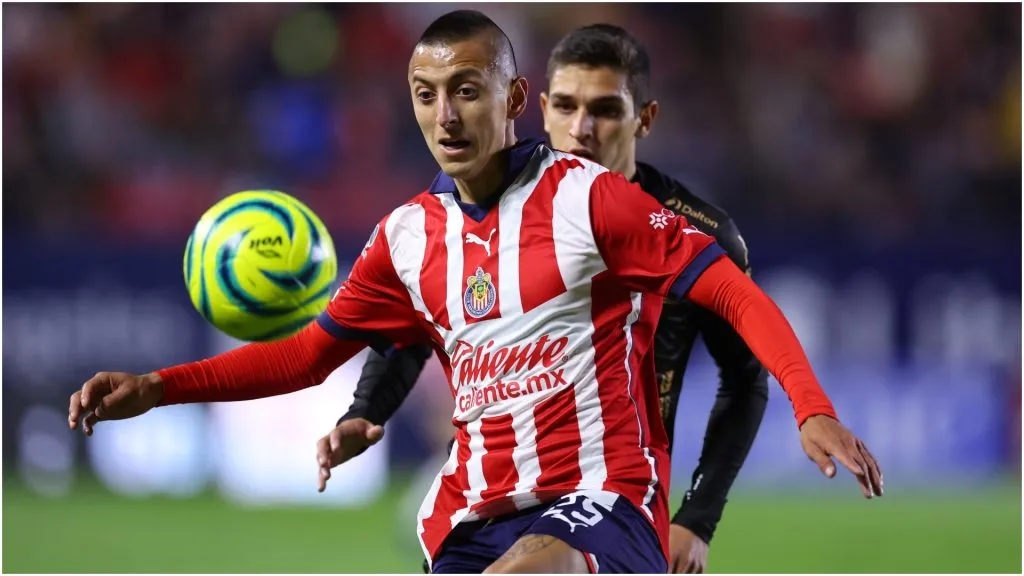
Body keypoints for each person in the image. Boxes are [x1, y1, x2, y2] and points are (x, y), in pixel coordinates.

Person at [68, 10, 882, 575]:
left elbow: (736, 296)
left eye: (467, 89)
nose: (446, 115)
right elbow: (314, 355)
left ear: (512, 100)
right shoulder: (406, 236)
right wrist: (157, 388)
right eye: (427, 95)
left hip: (602, 502)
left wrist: (809, 406)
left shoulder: (589, 200)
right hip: (472, 512)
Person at [332, 23, 772, 574]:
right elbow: (410, 328)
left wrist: (698, 517)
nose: (580, 128)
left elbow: (746, 378)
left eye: (605, 110)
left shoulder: (696, 235)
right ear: (539, 109)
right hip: (496, 500)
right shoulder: (480, 211)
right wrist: (366, 410)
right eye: (564, 106)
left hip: (606, 498)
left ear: (645, 119)